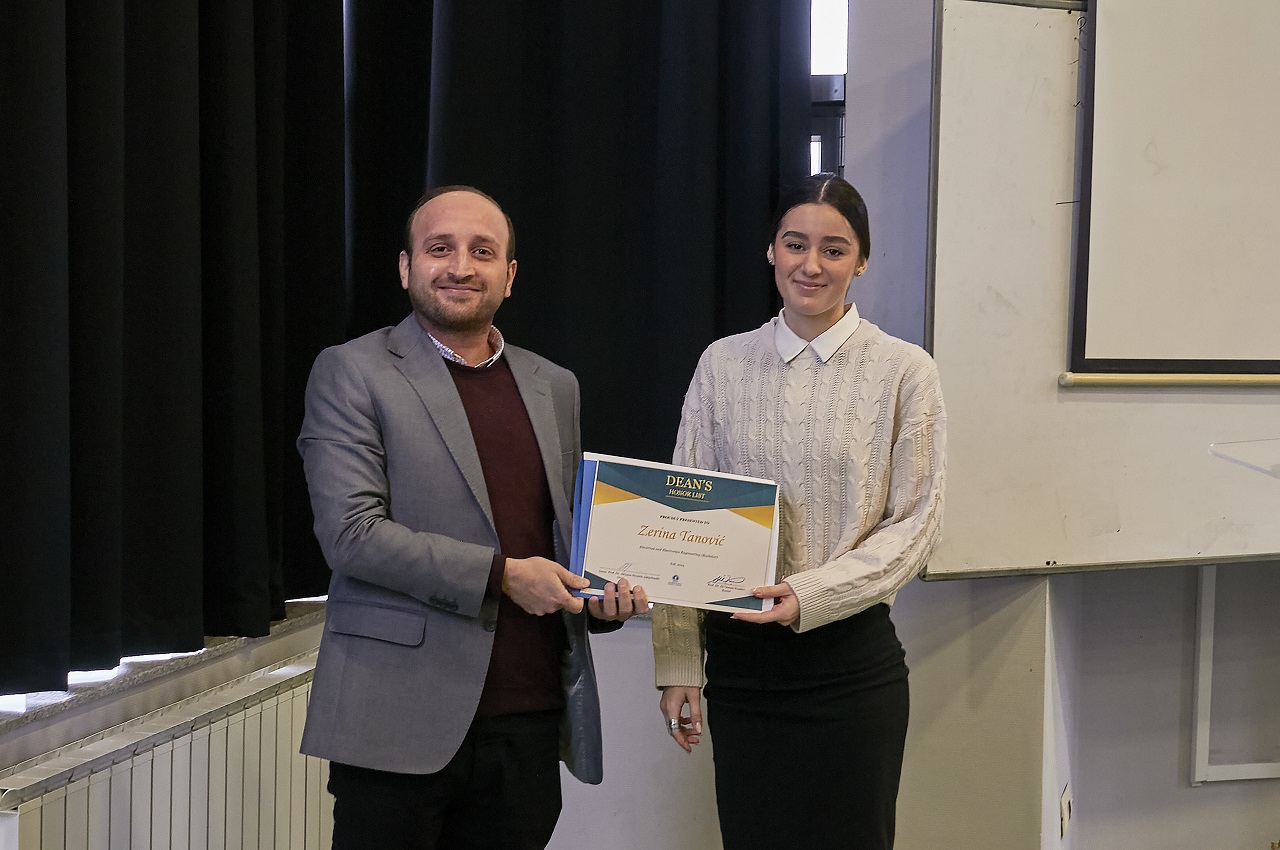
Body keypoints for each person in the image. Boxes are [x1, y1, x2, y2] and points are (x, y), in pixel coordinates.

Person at [298, 185, 648, 850]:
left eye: (482, 252)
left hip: (527, 720)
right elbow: (351, 535)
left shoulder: (555, 386)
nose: (461, 266)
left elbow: (561, 538)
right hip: (396, 720)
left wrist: (600, 598)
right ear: (406, 267)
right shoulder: (351, 372)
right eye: (440, 249)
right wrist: (504, 576)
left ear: (509, 276)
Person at [652, 173, 946, 850]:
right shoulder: (722, 365)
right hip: (743, 672)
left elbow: (916, 524)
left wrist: (808, 594)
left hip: (851, 669)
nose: (811, 264)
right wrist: (679, 664)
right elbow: (682, 523)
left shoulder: (906, 371)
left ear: (861, 261)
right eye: (795, 244)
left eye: (834, 249)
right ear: (771, 251)